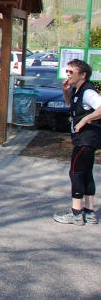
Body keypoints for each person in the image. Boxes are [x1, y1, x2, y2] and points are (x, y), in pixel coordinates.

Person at [53, 59, 100, 226]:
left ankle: (76, 212)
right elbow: (70, 104)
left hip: (86, 138)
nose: (68, 75)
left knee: (75, 173)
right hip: (85, 138)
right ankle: (89, 212)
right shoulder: (78, 91)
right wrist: (65, 91)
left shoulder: (88, 92)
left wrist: (84, 121)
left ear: (83, 75)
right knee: (85, 173)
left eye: (71, 72)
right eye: (67, 71)